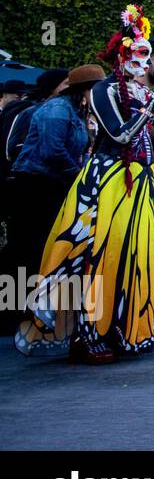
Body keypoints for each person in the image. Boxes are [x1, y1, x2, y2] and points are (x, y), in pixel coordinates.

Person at [15, 6, 154, 362]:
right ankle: (89, 334)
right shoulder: (104, 90)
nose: (146, 62)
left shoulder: (140, 94)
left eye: (147, 55)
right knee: (100, 255)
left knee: (139, 257)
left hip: (139, 183)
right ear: (123, 56)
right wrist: (152, 102)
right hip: (109, 180)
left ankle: (123, 329)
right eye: (140, 54)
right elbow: (120, 135)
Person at [0, 65, 101, 336]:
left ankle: (37, 310)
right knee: (29, 248)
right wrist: (80, 176)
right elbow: (52, 151)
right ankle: (13, 313)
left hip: (53, 185)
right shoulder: (57, 110)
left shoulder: (78, 111)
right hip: (34, 187)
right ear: (84, 90)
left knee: (48, 248)